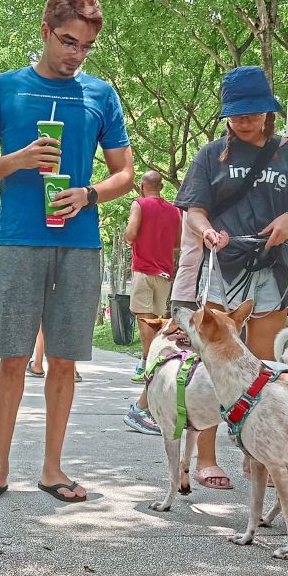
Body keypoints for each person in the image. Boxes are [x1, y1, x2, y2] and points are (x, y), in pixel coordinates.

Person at [0, 0, 135, 504]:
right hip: (17, 241)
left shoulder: (101, 95)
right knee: (12, 356)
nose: (74, 55)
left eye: (85, 47)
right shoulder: (3, 89)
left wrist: (88, 194)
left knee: (64, 360)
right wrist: (16, 159)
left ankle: (53, 469)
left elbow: (125, 173)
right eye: (67, 42)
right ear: (45, 31)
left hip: (80, 245)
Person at [171, 65, 288, 489]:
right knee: (216, 363)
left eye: (252, 112)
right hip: (223, 265)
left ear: (268, 112)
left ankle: (264, 455)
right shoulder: (209, 154)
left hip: (272, 266)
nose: (244, 120)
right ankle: (206, 458)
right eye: (236, 114)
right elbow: (194, 208)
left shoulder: (286, 152)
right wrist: (206, 231)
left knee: (268, 363)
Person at [122, 171, 181, 434]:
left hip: (144, 270)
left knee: (144, 318)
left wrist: (129, 234)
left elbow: (131, 234)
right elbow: (178, 243)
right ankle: (154, 358)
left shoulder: (139, 204)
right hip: (165, 272)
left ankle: (147, 360)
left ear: (144, 186)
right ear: (162, 186)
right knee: (159, 320)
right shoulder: (175, 211)